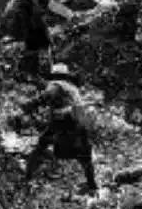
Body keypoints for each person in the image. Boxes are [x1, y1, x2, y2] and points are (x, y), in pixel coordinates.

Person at [21, 63, 98, 194]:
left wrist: (30, 104)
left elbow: (46, 96)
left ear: (54, 75)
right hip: (80, 125)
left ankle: (27, 179)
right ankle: (92, 186)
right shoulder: (73, 88)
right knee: (85, 158)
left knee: (40, 147)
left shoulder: (56, 85)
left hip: (62, 122)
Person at [0, 0, 67, 75]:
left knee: (41, 39)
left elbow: (41, 13)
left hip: (25, 17)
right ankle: (28, 69)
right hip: (15, 19)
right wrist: (46, 33)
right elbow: (36, 16)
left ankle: (34, 67)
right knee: (36, 40)